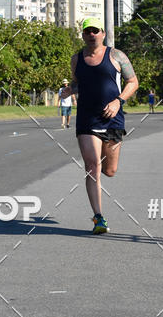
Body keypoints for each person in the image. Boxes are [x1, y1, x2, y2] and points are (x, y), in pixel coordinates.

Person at [59, 17, 138, 235]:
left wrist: (118, 101)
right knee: (93, 166)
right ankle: (98, 218)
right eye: (87, 31)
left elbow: (133, 82)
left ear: (103, 33)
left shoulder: (117, 55)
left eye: (95, 31)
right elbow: (78, 82)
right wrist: (70, 90)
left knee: (110, 171)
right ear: (83, 35)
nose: (91, 34)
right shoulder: (77, 59)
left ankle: (99, 206)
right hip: (87, 119)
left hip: (113, 119)